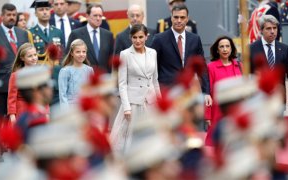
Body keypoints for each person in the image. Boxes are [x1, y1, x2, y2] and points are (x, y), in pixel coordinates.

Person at [110, 24, 161, 154]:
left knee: (152, 135)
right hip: (133, 103)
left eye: (140, 37)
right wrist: (126, 106)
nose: (138, 40)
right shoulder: (125, 54)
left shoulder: (153, 52)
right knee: (131, 138)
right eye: (134, 37)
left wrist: (160, 102)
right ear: (130, 38)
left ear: (146, 37)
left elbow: (155, 80)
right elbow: (122, 83)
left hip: (150, 101)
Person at [151, 4, 211, 105]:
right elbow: (152, 67)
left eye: (182, 17)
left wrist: (206, 92)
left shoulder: (195, 39)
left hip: (189, 92)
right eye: (176, 17)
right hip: (166, 91)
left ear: (187, 19)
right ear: (171, 18)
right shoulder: (159, 39)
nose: (179, 20)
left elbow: (202, 67)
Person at [250, 14, 288, 108]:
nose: (272, 31)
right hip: (257, 102)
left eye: (275, 28)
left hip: (278, 101)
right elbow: (246, 76)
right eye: (268, 28)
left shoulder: (284, 49)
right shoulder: (251, 49)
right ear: (261, 30)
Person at [204, 36, 242, 146]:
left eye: (227, 46)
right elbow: (208, 92)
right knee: (215, 145)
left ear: (231, 49)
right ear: (217, 50)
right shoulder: (211, 67)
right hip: (217, 112)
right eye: (221, 47)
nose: (225, 49)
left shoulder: (239, 66)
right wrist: (208, 116)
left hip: (236, 113)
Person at [0, 3, 29, 118]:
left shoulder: (23, 33)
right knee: (1, 122)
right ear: (2, 16)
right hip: (2, 87)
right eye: (9, 14)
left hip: (21, 88)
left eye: (14, 15)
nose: (12, 17)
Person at [67, 4, 114, 72]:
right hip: (82, 77)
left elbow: (111, 58)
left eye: (100, 16)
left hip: (104, 78)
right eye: (95, 15)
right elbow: (68, 57)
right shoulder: (76, 34)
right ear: (87, 16)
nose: (98, 18)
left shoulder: (108, 35)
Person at [16, 65, 53, 141]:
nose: (51, 88)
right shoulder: (36, 120)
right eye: (48, 85)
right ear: (36, 91)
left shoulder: (26, 117)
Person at [7, 43, 40, 123]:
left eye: (35, 55)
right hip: (22, 112)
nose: (34, 58)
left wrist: (46, 113)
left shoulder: (40, 73)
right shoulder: (16, 75)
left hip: (37, 111)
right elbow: (11, 98)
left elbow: (43, 96)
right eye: (30, 56)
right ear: (22, 58)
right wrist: (12, 116)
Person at [58, 39, 94, 107]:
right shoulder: (65, 71)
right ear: (72, 53)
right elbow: (63, 95)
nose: (81, 54)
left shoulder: (89, 70)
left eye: (84, 52)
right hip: (72, 109)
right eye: (78, 52)